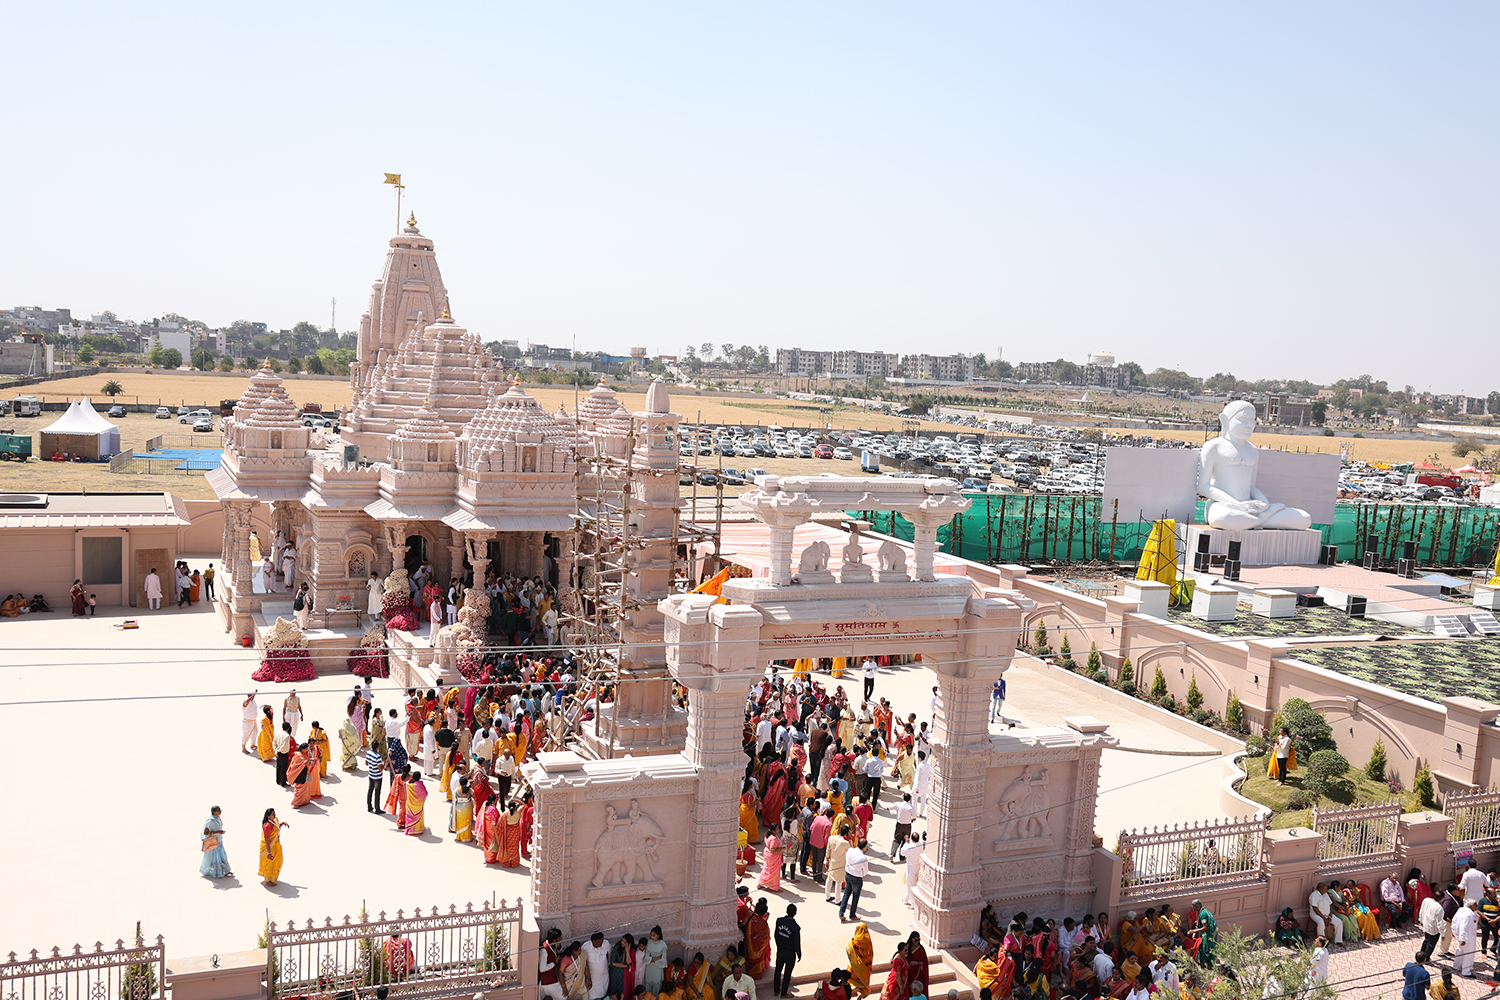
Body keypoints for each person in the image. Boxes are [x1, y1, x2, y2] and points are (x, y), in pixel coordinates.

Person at [772, 905, 801, 999]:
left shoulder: (779, 921)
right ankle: (784, 993)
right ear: (795, 913)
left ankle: (776, 990)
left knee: (778, 970)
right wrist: (799, 954)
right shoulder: (795, 928)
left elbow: (776, 934)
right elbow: (796, 943)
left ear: (786, 911)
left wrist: (778, 945)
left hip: (780, 950)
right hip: (790, 954)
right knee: (787, 974)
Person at [839, 839, 869, 923]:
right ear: (864, 847)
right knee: (855, 896)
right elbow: (865, 871)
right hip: (856, 878)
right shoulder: (863, 858)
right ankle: (852, 915)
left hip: (848, 874)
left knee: (846, 893)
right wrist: (861, 873)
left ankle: (841, 912)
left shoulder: (850, 850)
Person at [200, 806, 232, 878]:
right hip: (214, 842)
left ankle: (226, 870)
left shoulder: (217, 819)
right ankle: (218, 872)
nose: (220, 812)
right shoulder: (210, 821)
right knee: (215, 856)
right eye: (218, 810)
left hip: (219, 841)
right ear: (214, 812)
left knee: (223, 855)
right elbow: (205, 832)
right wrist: (218, 832)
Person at [1417, 886, 1446, 964]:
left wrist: (1420, 920)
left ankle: (1421, 955)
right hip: (1434, 929)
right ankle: (1426, 958)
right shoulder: (1439, 908)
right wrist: (1443, 934)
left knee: (1426, 940)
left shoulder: (1426, 900)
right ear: (1441, 899)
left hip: (1426, 924)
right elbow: (1440, 922)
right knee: (1431, 944)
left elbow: (1421, 911)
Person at [258, 808, 287, 886]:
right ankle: (268, 880)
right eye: (273, 814)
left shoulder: (273, 822)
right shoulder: (267, 826)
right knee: (270, 863)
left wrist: (282, 823)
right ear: (268, 816)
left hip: (276, 845)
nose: (274, 815)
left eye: (274, 814)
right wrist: (269, 852)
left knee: (275, 862)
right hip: (270, 847)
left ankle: (272, 878)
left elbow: (276, 828)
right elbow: (267, 839)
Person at [825, 820, 851, 903]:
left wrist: (827, 860)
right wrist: (850, 839)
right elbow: (850, 852)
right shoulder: (846, 843)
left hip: (832, 862)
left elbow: (828, 850)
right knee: (838, 882)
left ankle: (827, 896)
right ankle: (837, 900)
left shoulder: (831, 838)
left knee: (829, 878)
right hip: (841, 864)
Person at [745, 899, 772, 978]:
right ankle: (757, 973)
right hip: (759, 946)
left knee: (750, 957)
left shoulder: (750, 915)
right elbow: (766, 935)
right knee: (759, 957)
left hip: (750, 943)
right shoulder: (763, 923)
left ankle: (750, 971)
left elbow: (743, 924)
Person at [846, 923, 874, 998]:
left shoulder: (855, 941)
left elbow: (848, 948)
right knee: (862, 982)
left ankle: (857, 991)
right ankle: (860, 993)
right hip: (866, 966)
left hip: (856, 967)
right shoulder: (868, 940)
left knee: (851, 979)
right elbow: (870, 953)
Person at [1452, 899, 1478, 977]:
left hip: (1462, 936)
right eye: (1475, 905)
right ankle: (1466, 972)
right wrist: (1462, 939)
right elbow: (1463, 926)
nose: (1477, 907)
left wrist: (1455, 932)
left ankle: (1457, 966)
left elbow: (1454, 921)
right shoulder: (1469, 915)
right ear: (1471, 906)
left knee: (1460, 951)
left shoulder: (1460, 910)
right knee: (1469, 954)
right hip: (1468, 938)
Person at [582, 933, 611, 1000]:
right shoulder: (585, 947)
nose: (601, 943)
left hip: (604, 977)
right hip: (593, 979)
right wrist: (589, 980)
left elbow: (610, 955)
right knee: (592, 996)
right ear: (593, 941)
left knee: (603, 994)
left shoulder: (606, 944)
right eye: (599, 941)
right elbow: (583, 962)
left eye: (602, 941)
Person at [540, 928, 565, 1000]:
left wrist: (559, 945)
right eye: (559, 938)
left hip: (553, 977)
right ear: (554, 940)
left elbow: (559, 952)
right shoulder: (544, 950)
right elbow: (542, 969)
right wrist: (555, 962)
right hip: (548, 981)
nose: (561, 938)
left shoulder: (553, 945)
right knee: (562, 997)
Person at [891, 794, 915, 861]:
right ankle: (902, 856)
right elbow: (914, 816)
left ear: (903, 798)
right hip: (907, 826)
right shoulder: (911, 807)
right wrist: (912, 820)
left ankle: (892, 853)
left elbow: (889, 807)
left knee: (897, 839)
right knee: (905, 840)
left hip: (899, 825)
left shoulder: (898, 804)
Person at [644, 927, 668, 994]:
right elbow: (646, 958)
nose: (652, 937)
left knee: (656, 989)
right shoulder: (648, 943)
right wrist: (657, 958)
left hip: (658, 969)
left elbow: (663, 960)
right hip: (649, 969)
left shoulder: (663, 944)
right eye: (651, 935)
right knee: (647, 988)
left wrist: (651, 959)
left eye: (654, 935)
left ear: (658, 935)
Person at [451, 776, 474, 841]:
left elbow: (454, 800)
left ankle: (460, 837)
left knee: (460, 821)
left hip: (459, 808)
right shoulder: (470, 790)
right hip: (468, 808)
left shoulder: (456, 790)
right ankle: (467, 838)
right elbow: (474, 797)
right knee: (467, 821)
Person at [366, 740, 386, 813]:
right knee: (377, 793)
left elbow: (366, 763)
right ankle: (377, 808)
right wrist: (383, 764)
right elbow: (380, 768)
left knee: (370, 791)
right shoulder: (378, 757)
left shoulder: (368, 753)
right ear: (377, 747)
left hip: (371, 774)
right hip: (377, 777)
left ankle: (369, 806)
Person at [274, 722, 293, 787]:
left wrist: (276, 751)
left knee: (278, 767)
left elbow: (274, 743)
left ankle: (278, 780)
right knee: (283, 768)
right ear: (288, 728)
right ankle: (283, 783)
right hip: (283, 753)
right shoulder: (287, 736)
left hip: (278, 753)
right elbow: (284, 746)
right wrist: (278, 751)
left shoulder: (277, 734)